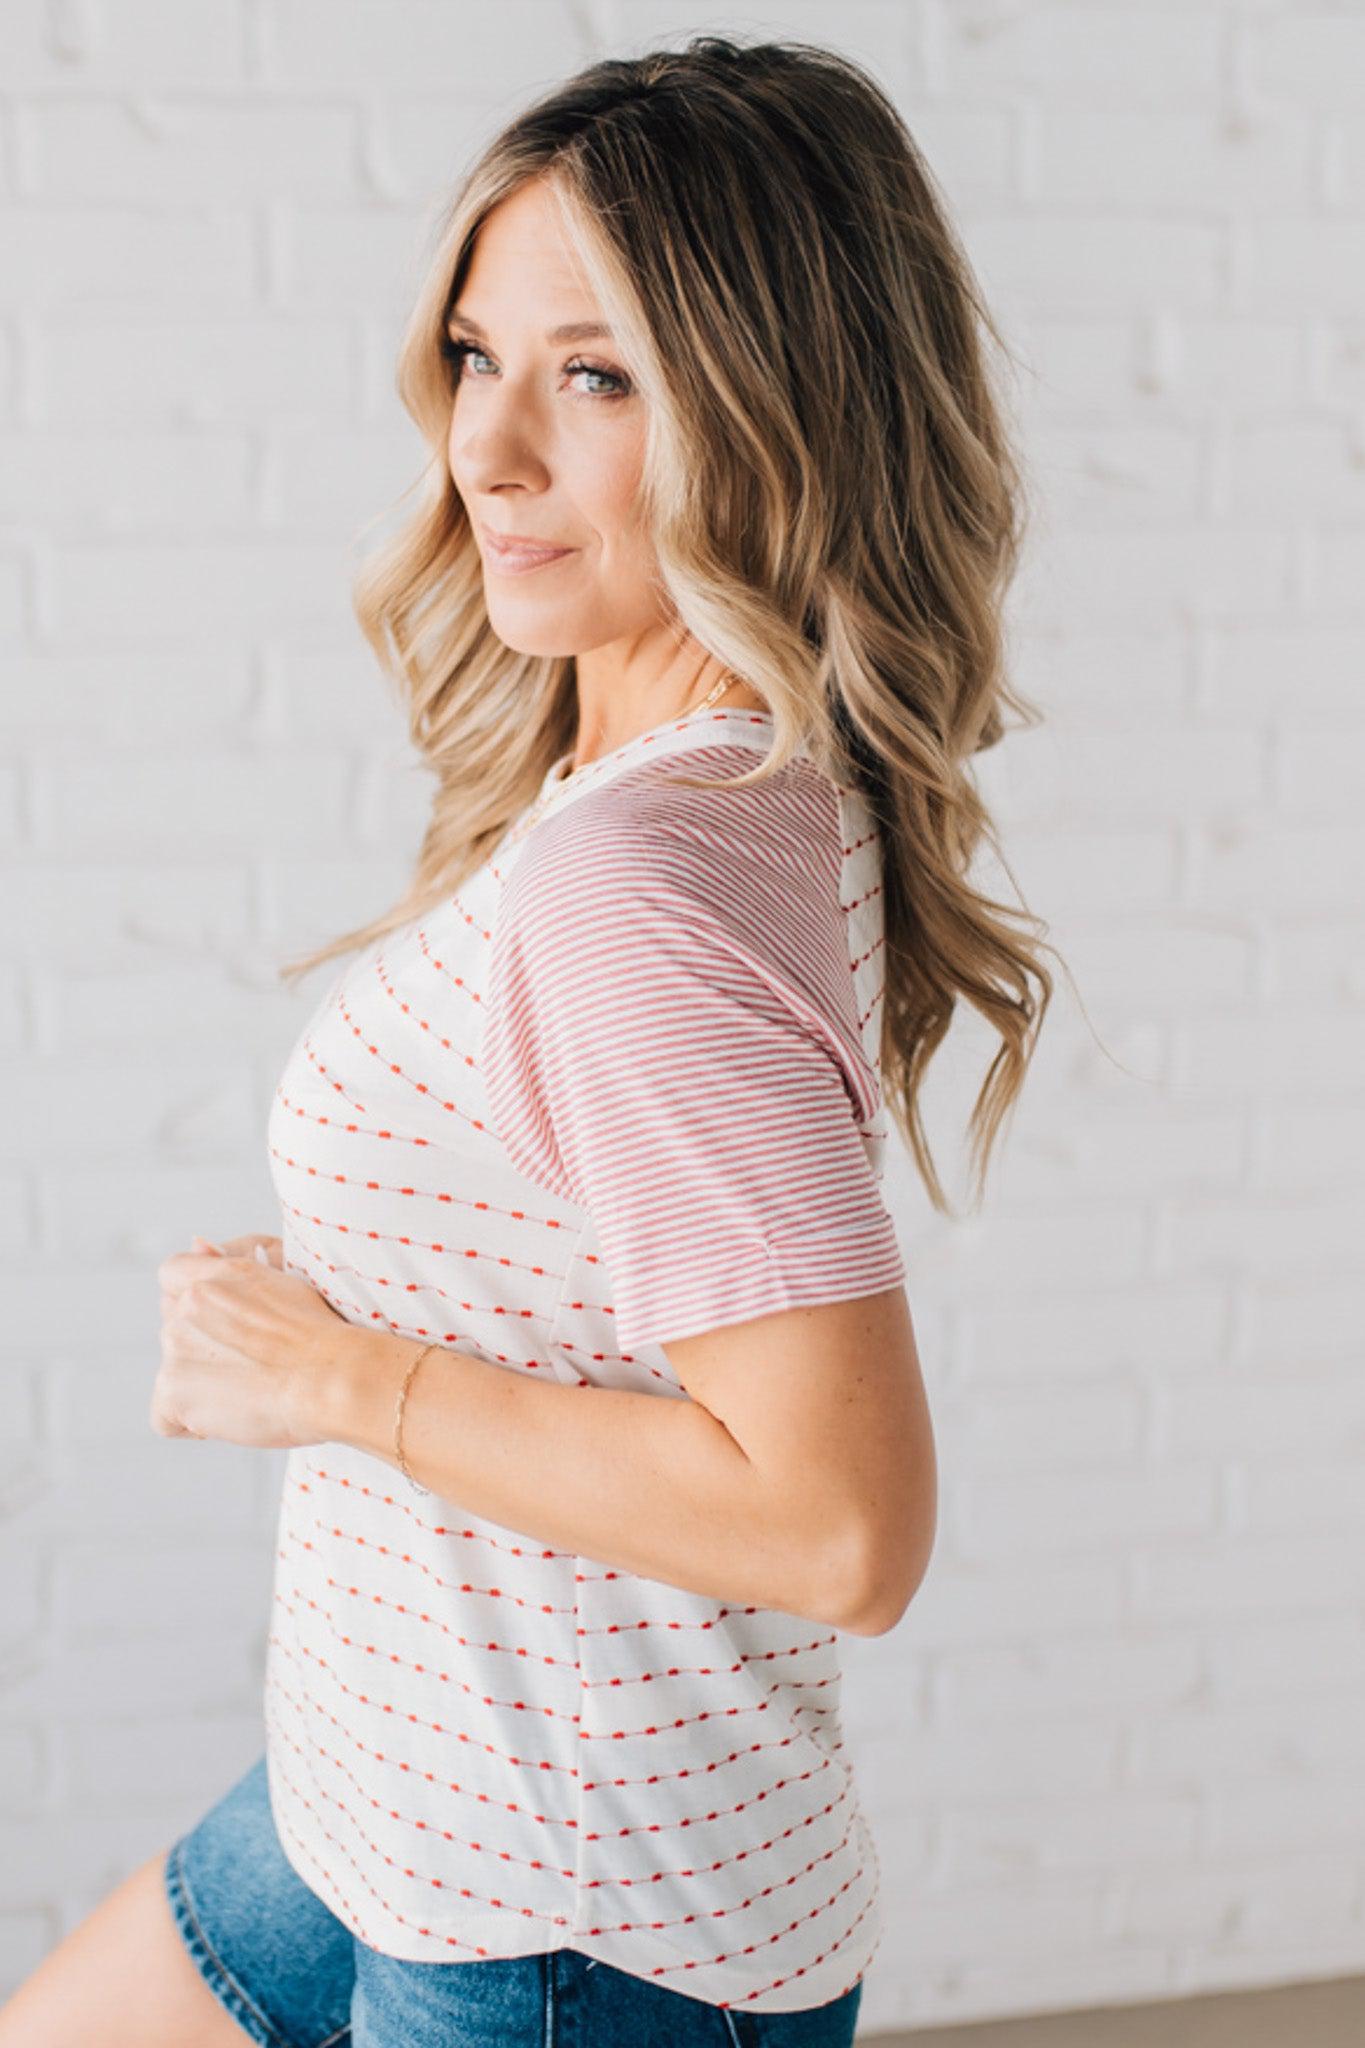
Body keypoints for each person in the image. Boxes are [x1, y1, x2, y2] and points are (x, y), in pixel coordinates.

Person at [0, 33, 1057, 2048]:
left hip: (563, 1920)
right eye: (477, 358)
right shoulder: (688, 779)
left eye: (596, 377)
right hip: (384, 1800)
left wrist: (332, 1370)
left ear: (778, 413)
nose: (487, 451)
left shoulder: (637, 875)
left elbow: (836, 1525)